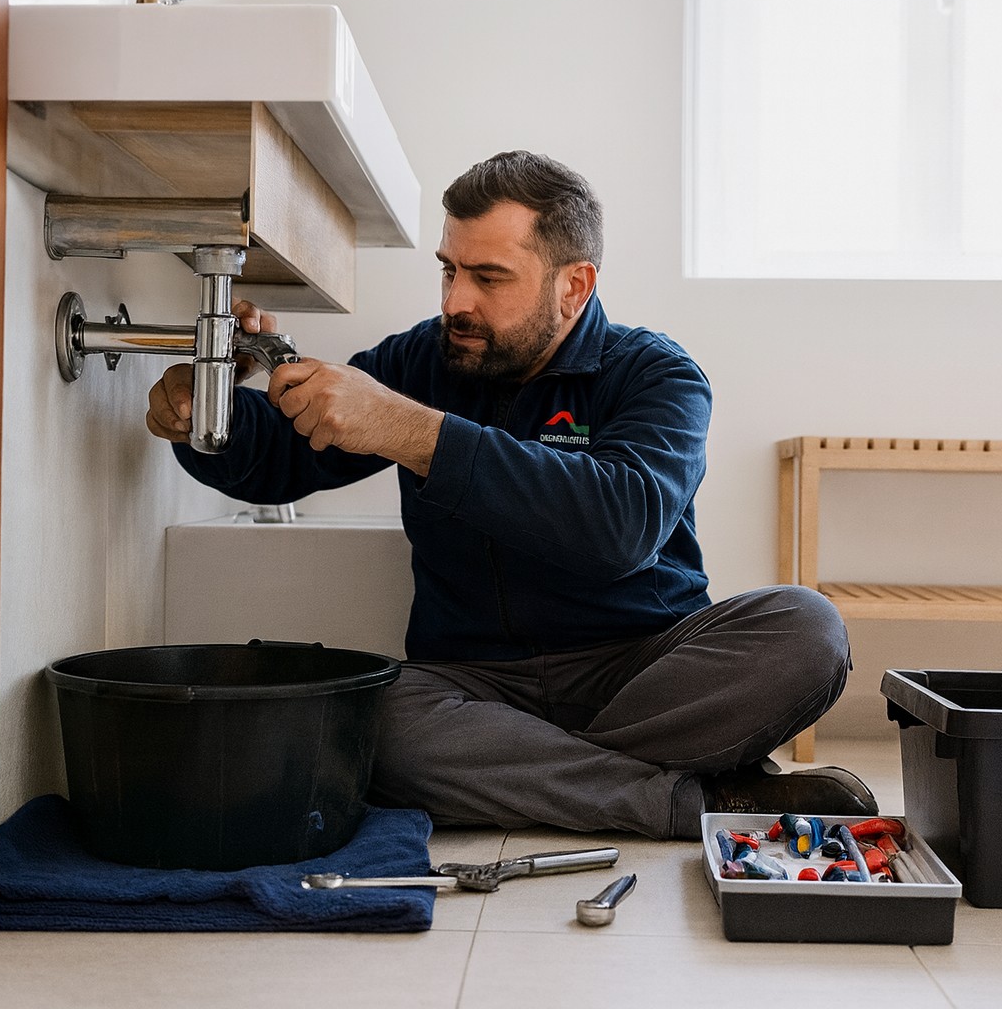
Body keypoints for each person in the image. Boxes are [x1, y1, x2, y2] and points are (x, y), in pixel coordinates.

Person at [146, 150, 876, 839]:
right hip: (472, 685)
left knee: (807, 627)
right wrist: (211, 412)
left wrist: (411, 430)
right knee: (378, 719)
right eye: (448, 270)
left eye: (488, 278)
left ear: (573, 286)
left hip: (641, 668)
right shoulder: (422, 359)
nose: (455, 301)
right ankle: (694, 799)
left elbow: (619, 529)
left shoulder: (656, 374)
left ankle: (530, 773)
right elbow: (278, 462)